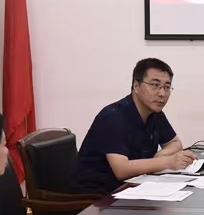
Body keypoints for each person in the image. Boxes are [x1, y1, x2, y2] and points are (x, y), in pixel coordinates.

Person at [71, 58, 196, 193]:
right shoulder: (112, 116)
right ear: (136, 86)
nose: (162, 94)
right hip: (91, 196)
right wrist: (167, 162)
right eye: (155, 85)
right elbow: (122, 170)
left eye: (167, 87)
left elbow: (175, 143)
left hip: (129, 189)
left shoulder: (155, 114)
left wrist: (159, 158)